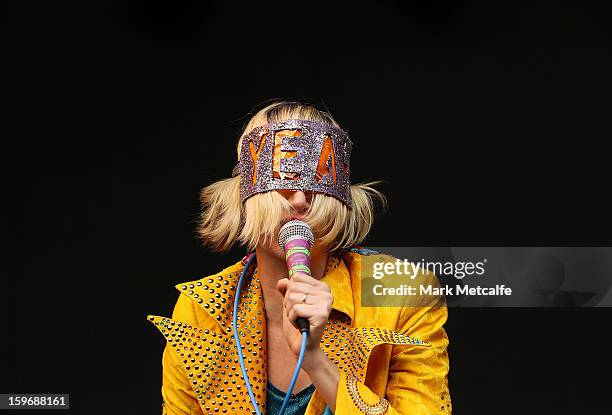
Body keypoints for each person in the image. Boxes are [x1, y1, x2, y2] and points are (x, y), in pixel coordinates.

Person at [148, 100, 452, 415]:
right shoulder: (203, 313)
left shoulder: (401, 296)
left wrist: (316, 362)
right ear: (247, 195)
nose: (299, 200)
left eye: (317, 180)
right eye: (281, 180)